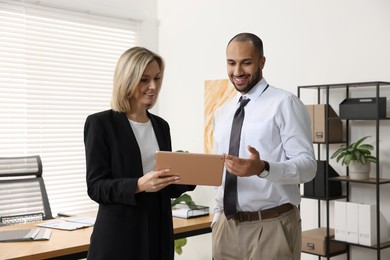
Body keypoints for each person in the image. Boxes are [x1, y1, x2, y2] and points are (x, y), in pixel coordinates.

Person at [211, 33, 317, 260]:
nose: (237, 71)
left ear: (262, 62)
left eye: (246, 62)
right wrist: (217, 218)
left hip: (271, 226)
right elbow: (221, 172)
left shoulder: (285, 103)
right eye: (231, 63)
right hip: (226, 228)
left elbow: (308, 167)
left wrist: (263, 168)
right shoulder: (222, 113)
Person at [84, 46, 195, 260]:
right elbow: (96, 187)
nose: (153, 86)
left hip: (158, 230)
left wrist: (190, 176)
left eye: (157, 78)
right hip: (119, 237)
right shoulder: (100, 124)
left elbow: (164, 184)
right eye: (144, 79)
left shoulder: (161, 126)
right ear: (127, 79)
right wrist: (138, 185)